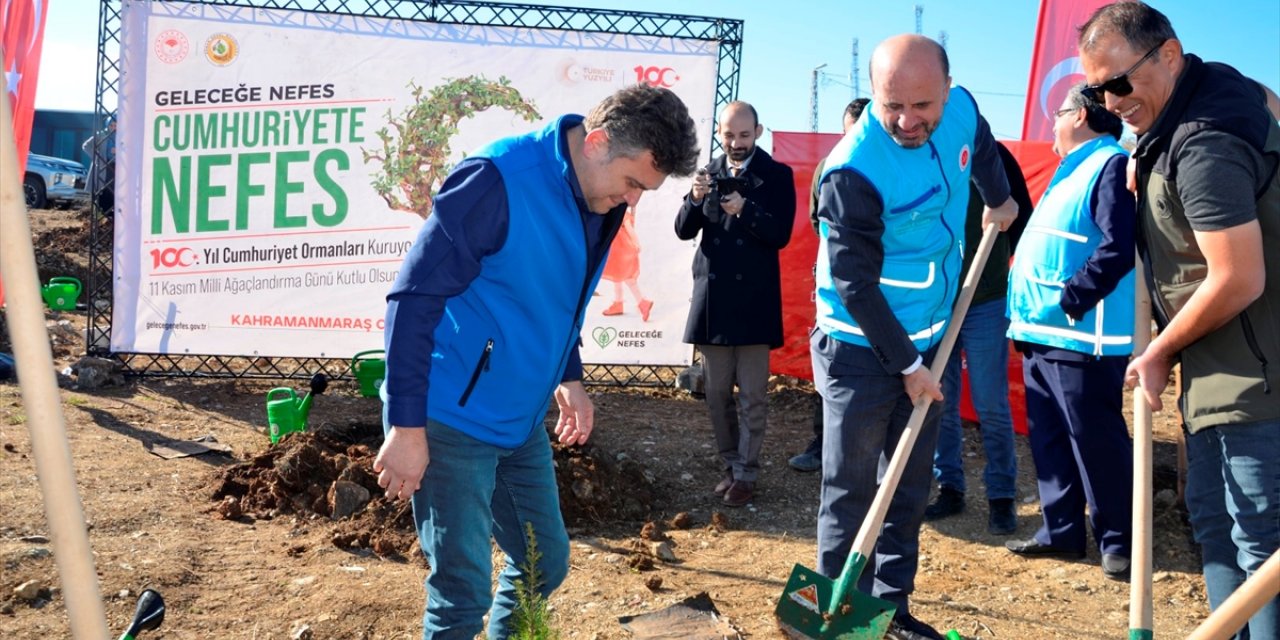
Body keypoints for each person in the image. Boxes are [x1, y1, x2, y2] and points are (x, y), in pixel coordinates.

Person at [374, 84, 699, 639]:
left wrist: (569, 376)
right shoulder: (497, 182)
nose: (634, 201)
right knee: (462, 597)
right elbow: (413, 299)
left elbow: (556, 296)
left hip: (518, 419)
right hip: (449, 417)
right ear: (596, 143)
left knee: (545, 559)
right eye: (633, 184)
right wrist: (407, 428)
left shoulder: (598, 195)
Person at [1080, 2, 1280, 634]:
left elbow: (1239, 276)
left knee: (1255, 545)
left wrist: (1160, 350)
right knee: (1217, 530)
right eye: (1095, 89)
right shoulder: (1215, 95)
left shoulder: (1204, 145)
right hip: (1226, 370)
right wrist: (1151, 154)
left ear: (1168, 53)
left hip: (1252, 380)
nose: (1109, 101)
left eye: (1119, 82)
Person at [811, 35, 1018, 640]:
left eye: (921, 105)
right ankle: (836, 616)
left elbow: (980, 147)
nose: (906, 120)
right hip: (859, 346)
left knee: (907, 484)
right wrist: (907, 365)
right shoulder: (853, 170)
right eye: (890, 105)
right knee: (850, 489)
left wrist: (999, 199)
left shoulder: (962, 111)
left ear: (947, 92)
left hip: (931, 335)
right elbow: (854, 284)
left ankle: (890, 610)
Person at [1002, 82, 1135, 582]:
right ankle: (1060, 531)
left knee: (1094, 440)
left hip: (1081, 337)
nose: (1052, 123)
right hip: (1044, 333)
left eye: (1057, 113)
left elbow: (1116, 247)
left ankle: (1119, 539)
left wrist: (1069, 300)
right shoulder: (1073, 168)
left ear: (1080, 115)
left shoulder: (1110, 165)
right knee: (1051, 439)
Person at [676, 100, 796, 508]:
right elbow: (682, 229)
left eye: (744, 135)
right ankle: (730, 466)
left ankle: (747, 473)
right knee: (715, 394)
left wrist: (746, 210)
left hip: (754, 300)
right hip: (714, 299)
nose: (736, 143)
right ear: (720, 134)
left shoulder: (777, 175)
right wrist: (693, 199)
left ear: (758, 132)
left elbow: (780, 234)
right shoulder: (708, 172)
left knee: (754, 396)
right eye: (729, 135)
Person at [923, 141, 1032, 535]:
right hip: (939, 300)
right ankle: (949, 486)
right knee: (940, 400)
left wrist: (1000, 264)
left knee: (991, 403)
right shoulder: (925, 153)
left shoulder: (994, 156)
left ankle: (1001, 495)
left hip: (985, 299)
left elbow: (1022, 216)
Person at [790, 98, 870, 474]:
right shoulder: (829, 166)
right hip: (836, 292)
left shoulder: (892, 166)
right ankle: (822, 445)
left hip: (884, 292)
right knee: (831, 369)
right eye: (848, 130)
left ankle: (872, 459)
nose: (854, 138)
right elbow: (815, 221)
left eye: (861, 130)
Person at [600, 206, 653, 321]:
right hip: (620, 252)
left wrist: (637, 243)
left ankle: (641, 303)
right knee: (619, 278)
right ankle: (620, 303)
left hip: (622, 251)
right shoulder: (622, 214)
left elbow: (630, 229)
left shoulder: (621, 215)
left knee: (625, 279)